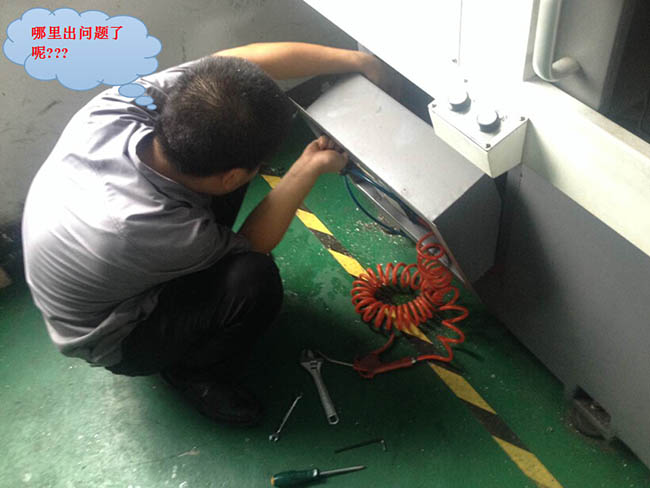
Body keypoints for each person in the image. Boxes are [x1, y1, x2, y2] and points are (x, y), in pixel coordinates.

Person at [22, 42, 392, 425]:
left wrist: (359, 60)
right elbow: (253, 247)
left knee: (218, 184)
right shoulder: (157, 230)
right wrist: (306, 167)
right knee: (254, 280)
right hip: (116, 334)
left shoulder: (119, 107)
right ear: (231, 177)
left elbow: (236, 64)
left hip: (104, 259)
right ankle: (193, 373)